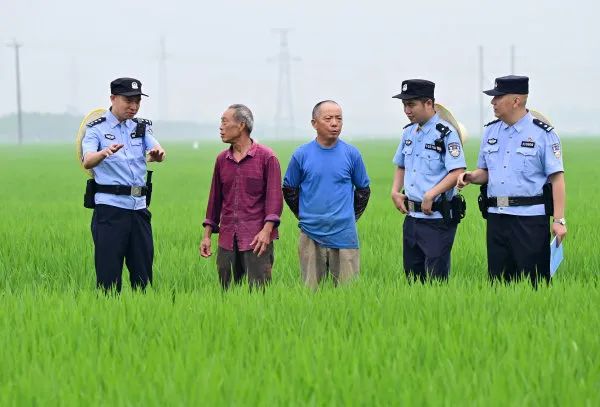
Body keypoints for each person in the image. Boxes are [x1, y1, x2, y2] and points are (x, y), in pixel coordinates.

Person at [457, 75, 567, 286]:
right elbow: (486, 172)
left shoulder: (543, 134)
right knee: (498, 283)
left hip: (530, 220)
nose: (493, 102)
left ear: (516, 100)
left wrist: (559, 220)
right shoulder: (491, 131)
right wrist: (471, 177)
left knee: (534, 283)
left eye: (498, 97)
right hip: (497, 218)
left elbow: (557, 178)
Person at [81, 77, 166, 292]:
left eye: (137, 101)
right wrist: (103, 153)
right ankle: (109, 312)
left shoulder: (140, 127)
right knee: (108, 280)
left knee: (144, 278)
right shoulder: (96, 129)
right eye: (128, 101)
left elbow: (158, 151)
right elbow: (87, 160)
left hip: (139, 210)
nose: (133, 106)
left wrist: (157, 155)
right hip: (110, 211)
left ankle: (143, 311)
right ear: (113, 98)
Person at [282, 100, 370, 289]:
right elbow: (289, 189)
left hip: (345, 235)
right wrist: (305, 216)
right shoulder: (301, 155)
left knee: (349, 294)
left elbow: (363, 190)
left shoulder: (352, 154)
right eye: (328, 118)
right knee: (311, 293)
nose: (335, 123)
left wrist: (349, 217)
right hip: (311, 233)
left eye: (339, 118)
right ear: (314, 123)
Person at [390, 79, 467, 282]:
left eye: (411, 104)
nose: (407, 110)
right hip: (412, 218)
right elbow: (401, 165)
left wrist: (431, 194)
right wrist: (395, 191)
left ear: (429, 103)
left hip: (436, 219)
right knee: (412, 279)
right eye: (404, 105)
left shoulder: (446, 134)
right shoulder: (409, 132)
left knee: (435, 281)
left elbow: (457, 171)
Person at [200, 104, 283, 290]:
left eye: (225, 122)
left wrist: (266, 232)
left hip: (257, 240)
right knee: (227, 294)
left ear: (241, 125)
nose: (220, 127)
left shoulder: (267, 158)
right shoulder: (222, 160)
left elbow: (274, 200)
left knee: (259, 294)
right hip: (227, 240)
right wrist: (206, 236)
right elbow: (214, 201)